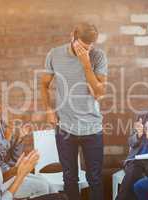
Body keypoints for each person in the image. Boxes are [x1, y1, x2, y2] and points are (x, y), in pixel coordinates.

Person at [41, 22, 108, 200]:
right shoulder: (54, 54)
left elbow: (99, 93)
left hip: (92, 129)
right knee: (69, 178)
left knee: (94, 178)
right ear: (73, 36)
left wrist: (86, 64)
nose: (87, 50)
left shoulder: (97, 56)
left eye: (90, 46)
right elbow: (44, 84)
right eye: (83, 46)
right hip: (65, 128)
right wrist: (49, 109)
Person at [0, 89, 55, 199]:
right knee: (43, 187)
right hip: (0, 180)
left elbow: (10, 157)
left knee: (48, 185)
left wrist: (19, 138)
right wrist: (8, 139)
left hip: (9, 172)